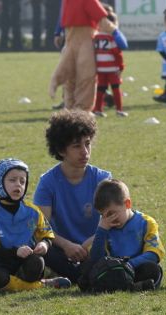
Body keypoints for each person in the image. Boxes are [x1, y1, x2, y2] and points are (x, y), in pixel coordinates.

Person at [34, 110, 112, 283]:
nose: (85, 151)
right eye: (77, 146)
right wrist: (67, 245)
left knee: (118, 239)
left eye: (87, 143)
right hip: (61, 250)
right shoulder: (47, 183)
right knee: (40, 249)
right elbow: (40, 228)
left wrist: (92, 243)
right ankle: (83, 274)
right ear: (61, 150)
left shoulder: (103, 179)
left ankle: (73, 275)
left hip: (96, 247)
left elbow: (116, 219)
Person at [0, 159, 72, 292]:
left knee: (37, 262)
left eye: (22, 181)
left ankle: (3, 285)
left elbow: (46, 234)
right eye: (12, 180)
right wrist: (16, 251)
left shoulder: (33, 211)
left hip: (27, 260)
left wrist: (44, 244)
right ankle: (43, 284)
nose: (18, 185)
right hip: (2, 261)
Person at [87, 179, 164, 291]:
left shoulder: (146, 223)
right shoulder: (105, 226)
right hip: (112, 271)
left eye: (111, 213)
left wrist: (128, 265)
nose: (107, 218)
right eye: (102, 215)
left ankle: (127, 286)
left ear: (127, 204)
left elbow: (154, 253)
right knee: (87, 268)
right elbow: (96, 259)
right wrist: (101, 230)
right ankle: (132, 287)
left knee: (153, 269)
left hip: (136, 269)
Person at [48, 0, 115, 111]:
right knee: (71, 77)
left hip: (84, 42)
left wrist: (114, 31)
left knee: (84, 76)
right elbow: (63, 16)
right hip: (71, 41)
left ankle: (81, 108)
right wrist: (58, 31)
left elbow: (101, 19)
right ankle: (71, 107)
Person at [92, 5, 129, 117]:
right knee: (116, 89)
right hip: (112, 68)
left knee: (101, 89)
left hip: (100, 68)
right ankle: (119, 110)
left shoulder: (95, 37)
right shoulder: (111, 38)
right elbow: (117, 54)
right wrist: (121, 67)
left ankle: (98, 109)